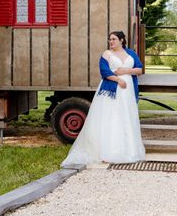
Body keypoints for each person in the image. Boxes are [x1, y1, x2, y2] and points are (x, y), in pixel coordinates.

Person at [61, 31, 145, 165]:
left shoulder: (131, 53)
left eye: (114, 39)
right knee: (111, 118)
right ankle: (107, 151)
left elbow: (139, 69)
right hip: (111, 90)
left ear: (122, 40)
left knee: (126, 117)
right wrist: (118, 80)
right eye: (110, 39)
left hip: (127, 92)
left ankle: (129, 151)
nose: (111, 42)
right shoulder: (106, 54)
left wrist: (126, 71)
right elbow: (104, 72)